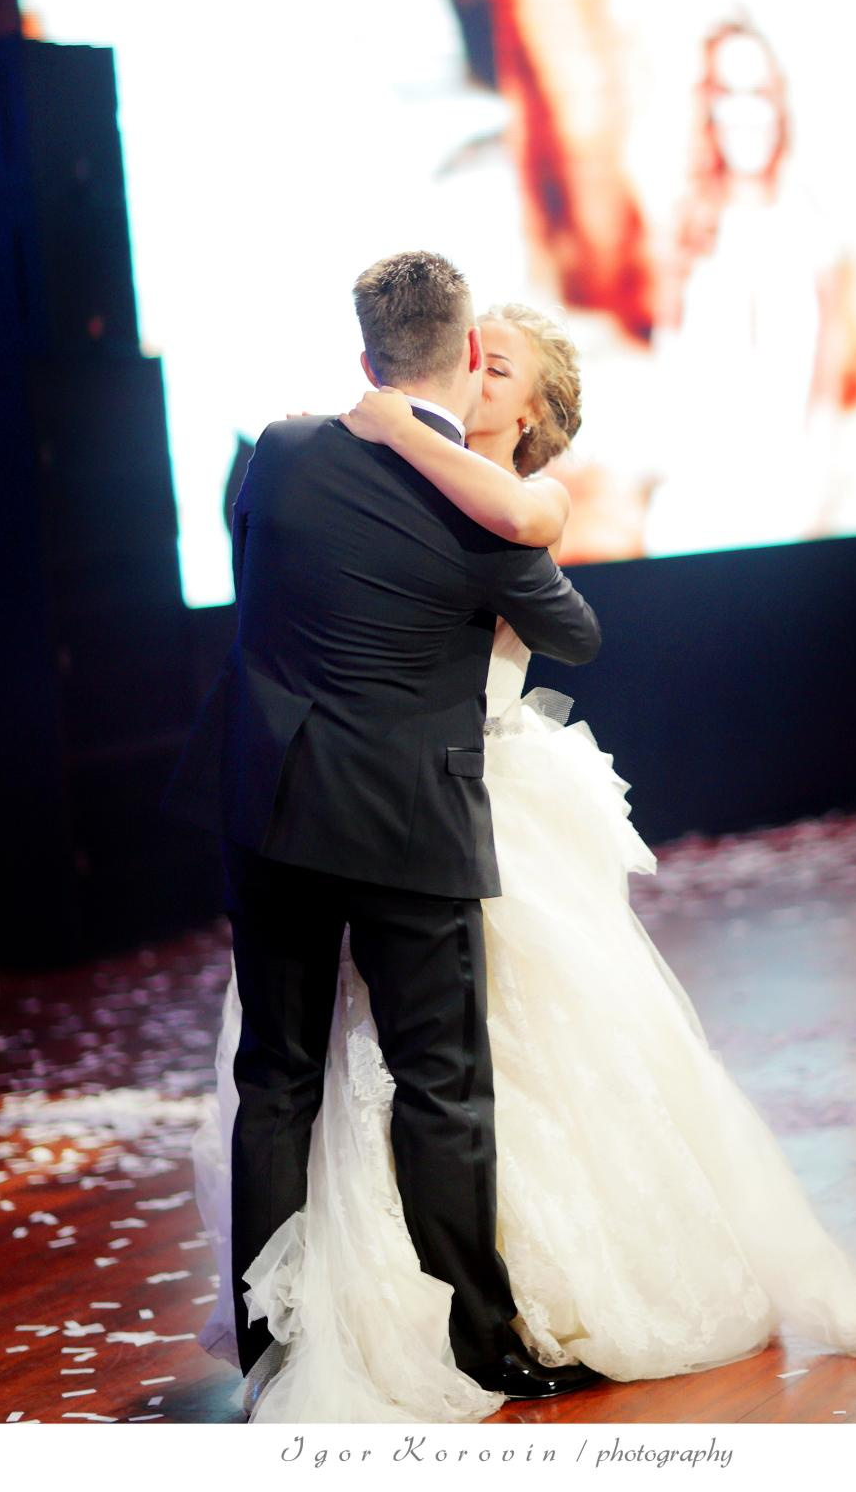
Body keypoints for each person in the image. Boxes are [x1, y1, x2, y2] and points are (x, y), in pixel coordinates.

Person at [192, 301, 856, 1422]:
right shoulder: (353, 466)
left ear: (525, 408)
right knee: (351, 1069)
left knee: (491, 1061)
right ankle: (341, 1312)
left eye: (498, 364)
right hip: (366, 803)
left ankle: (499, 1302)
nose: (473, 368)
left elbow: (566, 622)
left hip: (464, 805)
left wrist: (388, 426)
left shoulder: (510, 503)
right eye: (471, 349)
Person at [166, 252, 605, 1413]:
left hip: (269, 800)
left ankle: (271, 1346)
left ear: (367, 357)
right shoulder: (482, 509)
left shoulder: (282, 450)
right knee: (442, 1083)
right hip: (409, 813)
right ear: (467, 357)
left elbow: (263, 567)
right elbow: (573, 634)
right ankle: (479, 1338)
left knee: (278, 1077)